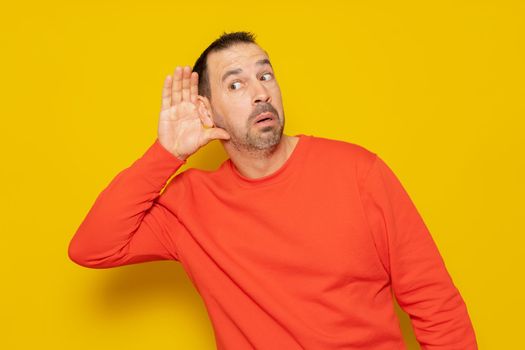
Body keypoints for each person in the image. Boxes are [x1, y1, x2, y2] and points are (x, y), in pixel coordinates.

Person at [68, 31, 478, 349]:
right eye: (236, 85)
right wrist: (166, 153)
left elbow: (435, 305)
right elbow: (92, 247)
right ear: (206, 111)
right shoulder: (189, 205)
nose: (261, 91)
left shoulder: (359, 172)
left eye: (265, 76)